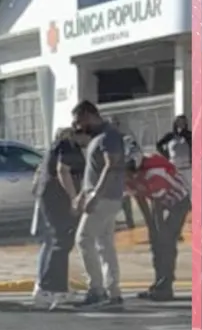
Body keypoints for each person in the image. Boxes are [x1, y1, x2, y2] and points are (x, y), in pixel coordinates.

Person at [72, 100, 126, 309]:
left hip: (104, 198)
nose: (78, 126)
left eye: (79, 121)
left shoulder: (109, 136)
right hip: (105, 196)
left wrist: (95, 195)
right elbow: (96, 169)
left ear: (89, 115)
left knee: (84, 239)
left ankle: (96, 289)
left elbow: (111, 165)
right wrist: (83, 194)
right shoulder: (100, 136)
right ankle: (113, 292)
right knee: (104, 244)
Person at [31, 127, 89, 309]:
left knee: (53, 241)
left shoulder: (55, 148)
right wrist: (73, 198)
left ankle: (57, 287)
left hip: (49, 197)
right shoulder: (67, 146)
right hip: (58, 198)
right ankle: (48, 288)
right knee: (60, 241)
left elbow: (39, 177)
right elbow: (63, 171)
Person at [126, 150, 190, 302]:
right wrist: (150, 227)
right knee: (156, 243)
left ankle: (165, 285)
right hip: (160, 201)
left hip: (178, 202)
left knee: (166, 242)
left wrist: (158, 231)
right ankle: (159, 282)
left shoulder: (155, 174)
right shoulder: (128, 176)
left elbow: (157, 207)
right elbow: (140, 198)